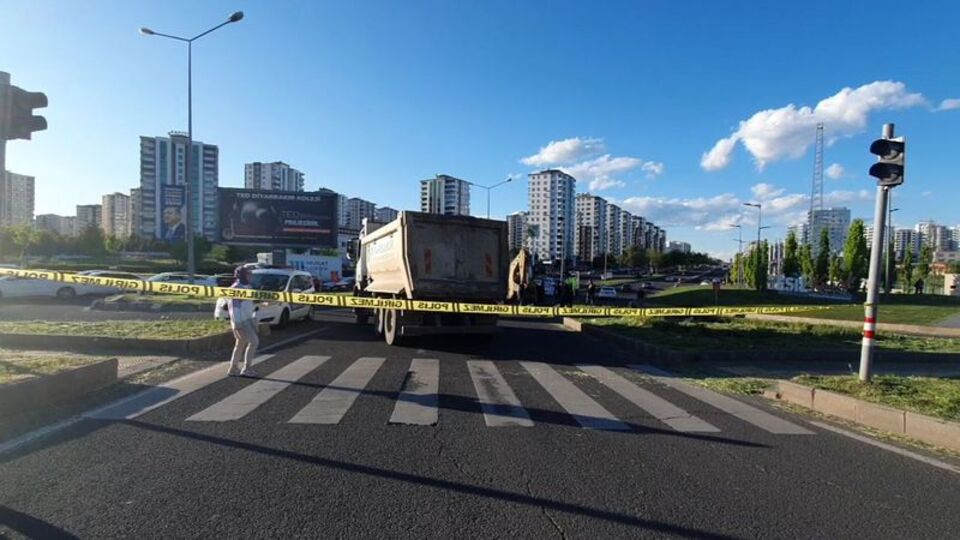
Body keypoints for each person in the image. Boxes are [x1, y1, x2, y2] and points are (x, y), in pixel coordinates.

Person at [227, 265, 259, 377]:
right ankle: (246, 368)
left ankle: (233, 368)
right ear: (244, 275)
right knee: (254, 342)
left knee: (240, 344)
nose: (251, 276)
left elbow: (247, 303)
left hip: (248, 319)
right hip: (241, 321)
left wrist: (260, 304)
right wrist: (237, 325)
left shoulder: (248, 287)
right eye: (249, 274)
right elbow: (233, 309)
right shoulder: (235, 288)